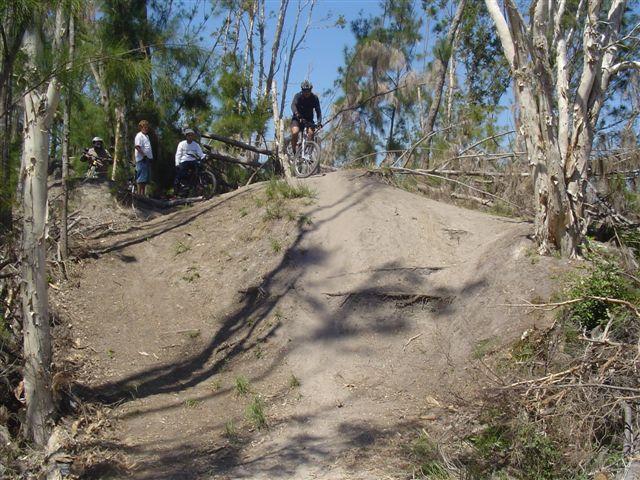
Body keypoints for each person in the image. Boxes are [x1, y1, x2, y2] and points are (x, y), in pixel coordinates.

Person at [290, 80, 322, 155]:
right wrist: (297, 113)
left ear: (311, 90)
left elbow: (318, 111)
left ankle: (307, 153)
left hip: (308, 119)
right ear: (302, 90)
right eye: (305, 91)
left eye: (308, 91)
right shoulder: (298, 96)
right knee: (295, 132)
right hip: (297, 118)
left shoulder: (314, 98)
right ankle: (294, 150)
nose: (307, 93)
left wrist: (319, 122)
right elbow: (293, 105)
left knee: (311, 133)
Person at [174, 128, 205, 193]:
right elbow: (178, 154)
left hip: (193, 160)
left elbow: (200, 153)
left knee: (199, 168)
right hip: (184, 160)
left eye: (192, 135)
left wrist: (204, 157)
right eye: (189, 135)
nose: (190, 137)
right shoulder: (182, 144)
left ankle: (198, 184)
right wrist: (177, 163)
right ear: (186, 136)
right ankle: (182, 185)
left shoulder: (196, 145)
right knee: (182, 171)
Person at [134, 120, 153, 196]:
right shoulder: (139, 135)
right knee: (141, 178)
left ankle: (143, 195)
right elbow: (137, 146)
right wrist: (144, 155)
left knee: (145, 179)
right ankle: (139, 195)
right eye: (144, 127)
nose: (146, 128)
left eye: (147, 127)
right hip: (142, 159)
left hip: (147, 159)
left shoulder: (147, 136)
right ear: (141, 127)